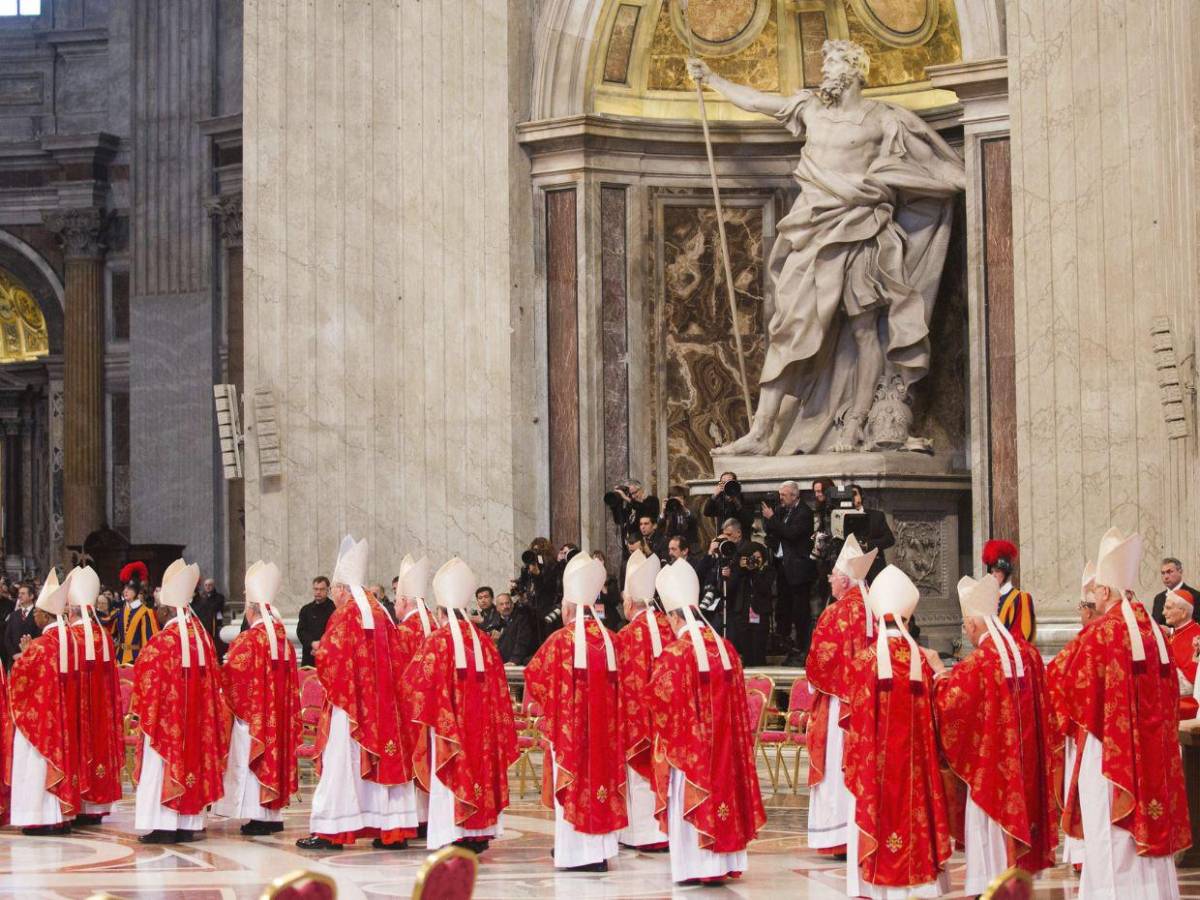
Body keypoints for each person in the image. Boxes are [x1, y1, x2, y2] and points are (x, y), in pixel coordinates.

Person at [689, 40, 964, 456]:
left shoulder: (885, 121)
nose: (824, 71)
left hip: (861, 229)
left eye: (832, 62)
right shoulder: (809, 109)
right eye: (825, 63)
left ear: (855, 70)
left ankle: (855, 424)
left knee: (865, 332)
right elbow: (757, 102)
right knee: (789, 327)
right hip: (813, 231)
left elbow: (932, 164)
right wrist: (712, 79)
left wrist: (980, 177)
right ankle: (762, 431)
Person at [1061, 527, 1190, 898]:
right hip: (1153, 757)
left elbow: (1065, 687)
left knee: (1111, 837)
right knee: (1146, 834)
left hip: (1110, 756)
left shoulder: (1099, 634)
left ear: (1103, 591)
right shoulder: (1156, 632)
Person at [928, 575, 1057, 894]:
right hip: (1026, 765)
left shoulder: (981, 662)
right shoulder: (1028, 654)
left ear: (972, 624)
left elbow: (952, 705)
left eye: (965, 626)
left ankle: (988, 882)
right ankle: (1018, 879)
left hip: (990, 769)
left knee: (985, 822)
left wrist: (939, 673)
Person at [647, 558, 765, 884]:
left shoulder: (674, 653)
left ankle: (694, 867)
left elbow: (658, 701)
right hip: (727, 751)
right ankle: (723, 861)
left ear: (673, 616)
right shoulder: (726, 648)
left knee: (691, 793)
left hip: (693, 753)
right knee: (724, 795)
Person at [297, 536, 417, 851]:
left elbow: (328, 658)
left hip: (349, 706)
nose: (334, 597)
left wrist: (321, 652)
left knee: (341, 763)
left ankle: (331, 830)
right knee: (382, 761)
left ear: (340, 590)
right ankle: (390, 830)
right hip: (384, 708)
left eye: (335, 591)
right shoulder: (383, 613)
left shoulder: (345, 614)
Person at [843, 565, 952, 898]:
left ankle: (872, 884)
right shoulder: (922, 659)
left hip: (876, 772)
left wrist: (856, 764)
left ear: (878, 619)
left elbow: (855, 724)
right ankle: (921, 880)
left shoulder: (864, 661)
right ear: (906, 619)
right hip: (916, 772)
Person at [404, 558, 518, 854]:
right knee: (481, 771)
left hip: (449, 731)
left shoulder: (437, 642)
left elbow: (413, 684)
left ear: (441, 612)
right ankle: (479, 834)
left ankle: (453, 833)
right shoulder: (485, 643)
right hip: (483, 732)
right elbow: (501, 692)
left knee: (451, 774)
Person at [525, 553, 627, 872]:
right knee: (602, 786)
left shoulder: (559, 642)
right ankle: (600, 853)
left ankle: (575, 854)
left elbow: (535, 677)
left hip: (571, 739)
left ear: (567, 609)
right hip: (606, 740)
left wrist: (553, 710)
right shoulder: (613, 641)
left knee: (574, 785)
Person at [130, 559, 227, 844]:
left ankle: (163, 824)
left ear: (167, 609)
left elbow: (143, 676)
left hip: (167, 723)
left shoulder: (162, 642)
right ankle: (188, 822)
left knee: (161, 764)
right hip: (196, 723)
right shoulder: (203, 638)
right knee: (192, 761)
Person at [214, 562, 301, 836]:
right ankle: (271, 815)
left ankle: (257, 815)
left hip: (253, 718)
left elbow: (231, 675)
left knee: (250, 756)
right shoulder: (282, 639)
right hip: (277, 716)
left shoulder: (249, 640)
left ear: (251, 612)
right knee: (273, 757)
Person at [804, 535, 877, 859]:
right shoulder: (877, 609)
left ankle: (837, 835)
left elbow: (818, 663)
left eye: (833, 574)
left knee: (837, 763)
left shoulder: (835, 614)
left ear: (845, 579)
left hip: (839, 708)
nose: (830, 579)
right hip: (871, 706)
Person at [8, 571, 79, 835]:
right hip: (63, 718)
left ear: (46, 616)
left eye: (37, 612)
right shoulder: (68, 641)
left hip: (39, 721)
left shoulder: (39, 646)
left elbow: (21, 679)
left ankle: (38, 817)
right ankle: (59, 815)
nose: (34, 617)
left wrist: (24, 656)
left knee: (36, 765)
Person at [615, 551, 673, 852]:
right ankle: (668, 830)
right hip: (670, 720)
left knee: (638, 772)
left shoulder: (626, 635)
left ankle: (643, 833)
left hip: (637, 719)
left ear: (628, 603)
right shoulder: (672, 627)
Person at [1045, 562, 1100, 874]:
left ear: (1088, 610)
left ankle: (1082, 851)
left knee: (1083, 789)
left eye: (1080, 607)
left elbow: (1058, 677)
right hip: (1093, 726)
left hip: (1083, 730)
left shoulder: (1086, 640)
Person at [67, 565, 123, 826]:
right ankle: (94, 807)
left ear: (71, 610)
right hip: (101, 708)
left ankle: (78, 803)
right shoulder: (104, 636)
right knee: (97, 745)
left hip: (75, 707)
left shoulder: (69, 636)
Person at [394, 554, 435, 833]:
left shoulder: (405, 630)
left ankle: (415, 816)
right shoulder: (437, 624)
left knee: (411, 758)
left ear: (404, 602)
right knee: (431, 756)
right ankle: (430, 815)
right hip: (435, 706)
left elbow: (395, 670)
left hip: (409, 706)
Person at [762, 479, 816, 665]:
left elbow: (791, 533)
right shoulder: (782, 510)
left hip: (798, 569)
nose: (781, 499)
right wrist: (769, 519)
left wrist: (772, 519)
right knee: (783, 610)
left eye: (783, 495)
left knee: (801, 611)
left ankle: (803, 648)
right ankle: (786, 646)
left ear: (794, 495)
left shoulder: (804, 513)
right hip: (782, 567)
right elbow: (771, 530)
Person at [983, 539, 1036, 640]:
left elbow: (1024, 635)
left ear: (1006, 573)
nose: (993, 575)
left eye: (997, 571)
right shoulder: (988, 598)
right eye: (992, 571)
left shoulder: (1021, 598)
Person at [1162, 589, 1199, 720]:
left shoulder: (1197, 637)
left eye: (1168, 608)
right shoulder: (1174, 634)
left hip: (1187, 701)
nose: (1163, 613)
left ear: (1183, 613)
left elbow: (1190, 684)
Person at [848, 484, 893, 582]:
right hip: (850, 570)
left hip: (873, 568)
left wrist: (868, 545)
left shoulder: (876, 516)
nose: (851, 497)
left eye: (854, 494)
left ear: (861, 496)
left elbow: (889, 539)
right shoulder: (838, 517)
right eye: (847, 495)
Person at [116, 579, 159, 665]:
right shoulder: (120, 611)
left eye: (129, 589)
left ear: (137, 592)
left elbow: (148, 639)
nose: (125, 591)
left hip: (136, 658)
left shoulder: (145, 612)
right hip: (119, 657)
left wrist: (144, 661)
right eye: (124, 588)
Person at [296, 575, 334, 667]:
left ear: (328, 590)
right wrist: (312, 644)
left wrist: (320, 646)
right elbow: (301, 631)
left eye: (321, 589)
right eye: (316, 589)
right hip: (309, 657)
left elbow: (334, 632)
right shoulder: (306, 609)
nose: (318, 592)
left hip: (328, 657)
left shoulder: (334, 609)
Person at [702, 471, 755, 536]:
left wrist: (735, 500)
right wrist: (714, 495)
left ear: (735, 483)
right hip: (724, 536)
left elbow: (749, 520)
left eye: (729, 482)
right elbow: (707, 512)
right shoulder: (719, 499)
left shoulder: (745, 498)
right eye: (723, 483)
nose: (726, 485)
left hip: (741, 537)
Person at [2, 581, 39, 670]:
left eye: (23, 593)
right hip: (14, 661)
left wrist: (26, 653)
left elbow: (40, 636)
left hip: (33, 659)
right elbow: (7, 637)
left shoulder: (38, 614)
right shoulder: (13, 615)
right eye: (19, 593)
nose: (19, 596)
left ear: (31, 596)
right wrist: (14, 654)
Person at [1152, 557, 1199, 625]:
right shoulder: (1158, 598)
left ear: (1180, 571)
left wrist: (1171, 631)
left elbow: (1197, 625)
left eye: (1169, 572)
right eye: (1163, 573)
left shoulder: (1195, 596)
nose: (1166, 577)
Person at [495, 592, 538, 665]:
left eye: (507, 603)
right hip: (501, 664)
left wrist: (514, 660)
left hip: (517, 663)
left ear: (512, 605)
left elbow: (522, 641)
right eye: (501, 604)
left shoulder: (521, 619)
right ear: (497, 608)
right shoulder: (495, 622)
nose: (505, 606)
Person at [192, 577, 227, 661]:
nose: (208, 587)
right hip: (203, 623)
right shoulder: (200, 598)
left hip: (214, 625)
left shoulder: (219, 597)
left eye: (210, 585)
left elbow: (214, 607)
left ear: (213, 586)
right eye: (206, 585)